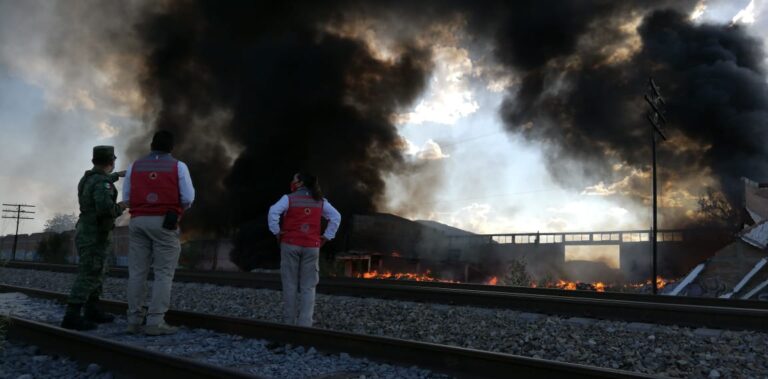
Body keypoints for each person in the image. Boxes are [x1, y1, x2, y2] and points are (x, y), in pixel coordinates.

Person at [122, 130, 195, 335]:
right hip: (165, 222)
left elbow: (126, 198)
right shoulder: (178, 166)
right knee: (163, 273)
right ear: (171, 147)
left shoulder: (134, 166)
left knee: (136, 273)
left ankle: (133, 320)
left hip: (137, 221)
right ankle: (155, 322)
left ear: (152, 145)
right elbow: (188, 198)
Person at [61, 145, 126, 330]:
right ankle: (71, 316)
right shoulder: (102, 183)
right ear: (111, 161)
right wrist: (122, 205)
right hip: (95, 235)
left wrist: (118, 175)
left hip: (88, 231)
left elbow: (101, 180)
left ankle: (92, 310)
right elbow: (106, 209)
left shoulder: (88, 178)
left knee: (98, 271)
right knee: (89, 273)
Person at [268, 173, 341, 327]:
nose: (292, 182)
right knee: (308, 286)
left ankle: (289, 323)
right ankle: (305, 325)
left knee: (290, 284)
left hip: (290, 244)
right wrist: (327, 236)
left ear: (300, 183)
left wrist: (276, 231)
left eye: (294, 179)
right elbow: (336, 217)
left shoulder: (289, 198)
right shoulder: (320, 201)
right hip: (312, 247)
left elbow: (273, 212)